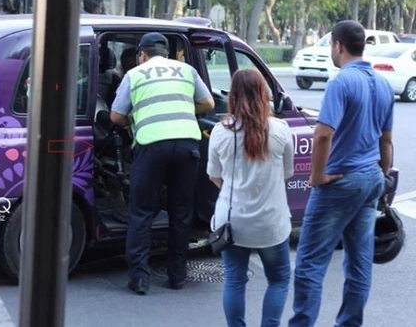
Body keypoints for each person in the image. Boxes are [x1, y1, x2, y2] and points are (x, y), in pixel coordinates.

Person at [289, 20, 395, 327]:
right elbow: (386, 141)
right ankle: (349, 323)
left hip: (340, 182)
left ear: (338, 46)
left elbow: (323, 135)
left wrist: (317, 177)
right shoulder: (383, 84)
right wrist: (382, 180)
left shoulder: (340, 83)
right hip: (371, 179)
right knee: (359, 264)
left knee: (310, 262)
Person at [110, 32, 215, 295]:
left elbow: (115, 116)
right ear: (166, 54)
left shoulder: (135, 74)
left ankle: (140, 279)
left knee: (142, 213)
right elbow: (208, 103)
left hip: (151, 145)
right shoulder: (187, 70)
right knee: (181, 212)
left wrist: (135, 120)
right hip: (187, 147)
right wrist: (183, 110)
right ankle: (177, 276)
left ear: (142, 55)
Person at [207, 68, 294, 327]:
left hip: (232, 222)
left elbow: (214, 176)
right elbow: (287, 173)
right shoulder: (280, 130)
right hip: (270, 222)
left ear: (232, 96)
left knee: (234, 280)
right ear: (263, 94)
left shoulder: (220, 133)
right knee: (278, 279)